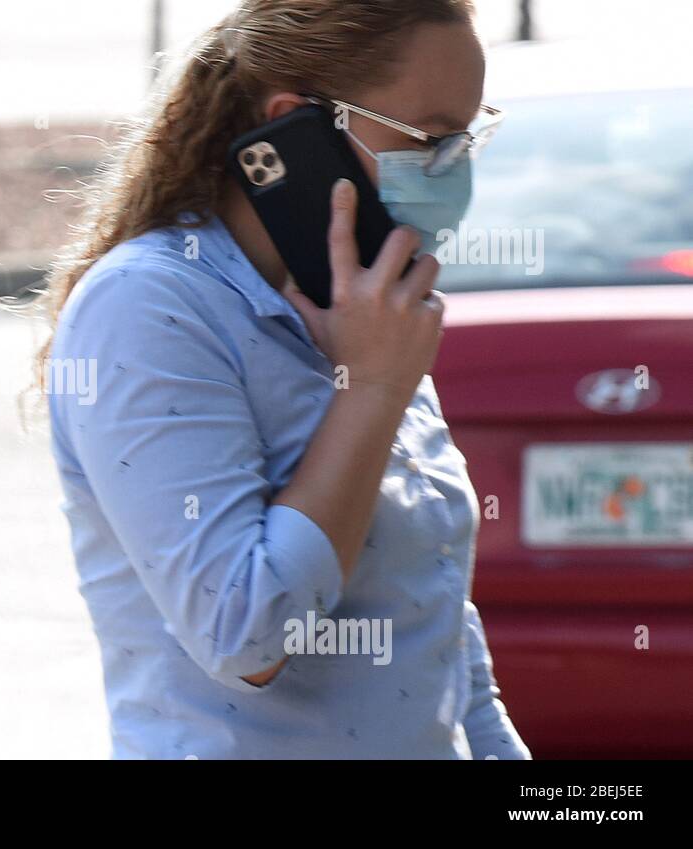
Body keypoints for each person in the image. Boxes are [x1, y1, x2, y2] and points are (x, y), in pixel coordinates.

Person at [39, 0, 530, 759]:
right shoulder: (148, 306)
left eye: (468, 138)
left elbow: (441, 638)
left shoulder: (363, 302)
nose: (452, 170)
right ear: (299, 126)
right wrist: (369, 391)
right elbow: (247, 633)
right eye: (429, 140)